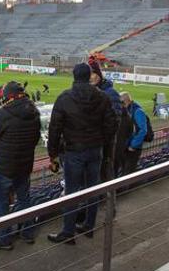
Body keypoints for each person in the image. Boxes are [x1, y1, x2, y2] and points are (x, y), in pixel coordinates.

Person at [46, 64, 117, 245]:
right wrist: (103, 144)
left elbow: (54, 129)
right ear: (89, 76)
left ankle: (68, 232)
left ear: (74, 76)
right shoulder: (102, 97)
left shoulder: (65, 98)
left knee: (72, 191)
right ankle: (88, 225)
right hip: (95, 150)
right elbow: (111, 125)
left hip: (74, 151)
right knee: (92, 189)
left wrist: (52, 154)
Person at [0, 81, 41, 249]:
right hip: (24, 165)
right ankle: (28, 233)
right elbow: (36, 139)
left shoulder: (3, 113)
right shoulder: (34, 111)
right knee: (24, 199)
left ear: (8, 97)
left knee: (1, 202)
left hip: (5, 166)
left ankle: (4, 239)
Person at [120, 92, 149, 175]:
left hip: (132, 149)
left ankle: (127, 188)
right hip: (125, 146)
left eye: (121, 102)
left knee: (128, 173)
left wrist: (133, 145)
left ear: (126, 101)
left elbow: (143, 130)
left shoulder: (138, 111)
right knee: (123, 170)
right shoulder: (127, 110)